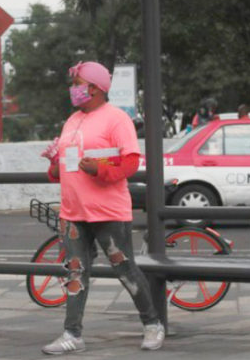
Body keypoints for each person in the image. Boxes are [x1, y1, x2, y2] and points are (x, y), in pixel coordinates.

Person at [40, 61, 164, 355]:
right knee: (74, 272)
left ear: (94, 88)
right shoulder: (71, 121)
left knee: (125, 270)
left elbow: (131, 162)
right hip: (72, 212)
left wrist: (100, 168)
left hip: (108, 212)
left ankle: (152, 324)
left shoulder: (117, 119)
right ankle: (72, 334)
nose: (72, 88)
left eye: (76, 83)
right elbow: (64, 168)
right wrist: (53, 165)